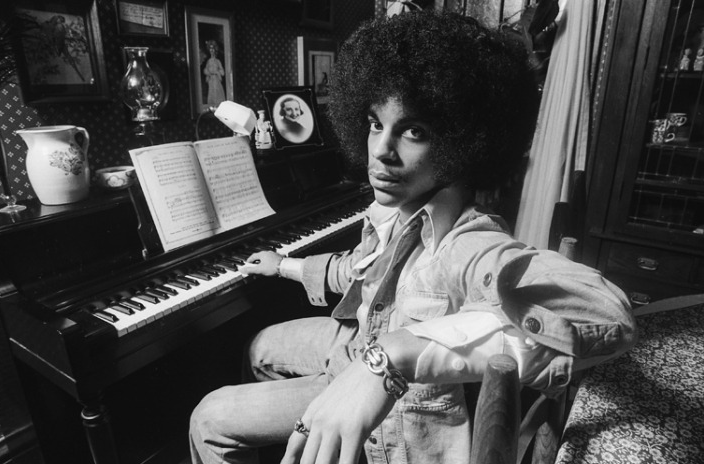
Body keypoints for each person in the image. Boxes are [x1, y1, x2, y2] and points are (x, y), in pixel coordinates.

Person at [190, 11, 636, 464]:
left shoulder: (467, 242)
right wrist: (283, 265)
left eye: (413, 131)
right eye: (375, 123)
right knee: (259, 346)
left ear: (463, 142)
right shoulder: (397, 208)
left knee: (207, 418)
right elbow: (359, 269)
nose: (381, 150)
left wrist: (391, 356)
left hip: (388, 393)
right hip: (353, 340)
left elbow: (609, 314)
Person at [204, 40, 226, 107]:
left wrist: (217, 72)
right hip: (211, 80)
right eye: (210, 48)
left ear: (215, 50)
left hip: (216, 79)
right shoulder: (208, 61)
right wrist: (208, 73)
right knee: (211, 93)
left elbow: (222, 72)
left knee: (217, 93)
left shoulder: (217, 61)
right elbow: (205, 70)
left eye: (213, 48)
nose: (212, 50)